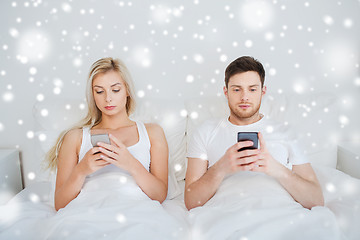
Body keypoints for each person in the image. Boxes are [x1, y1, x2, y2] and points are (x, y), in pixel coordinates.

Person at [184, 56, 324, 210]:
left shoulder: (286, 133)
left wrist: (275, 168)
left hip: (280, 214)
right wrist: (221, 168)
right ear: (226, 91)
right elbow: (191, 201)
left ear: (263, 91)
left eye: (252, 89)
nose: (244, 97)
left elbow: (316, 200)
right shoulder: (205, 132)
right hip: (227, 215)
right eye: (237, 89)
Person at [46, 57, 169, 211]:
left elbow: (160, 195)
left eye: (115, 90)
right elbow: (60, 204)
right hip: (87, 210)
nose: (108, 98)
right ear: (92, 95)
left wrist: (130, 163)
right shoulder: (74, 138)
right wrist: (81, 170)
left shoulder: (152, 132)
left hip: (135, 209)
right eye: (99, 91)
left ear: (127, 90)